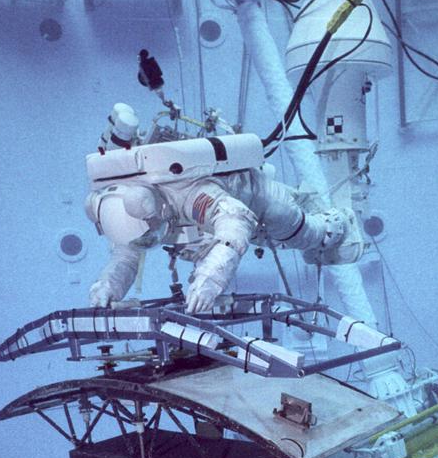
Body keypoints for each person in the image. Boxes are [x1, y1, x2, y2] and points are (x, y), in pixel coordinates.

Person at [84, 103, 360, 314]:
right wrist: (109, 286)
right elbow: (126, 256)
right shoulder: (123, 210)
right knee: (206, 256)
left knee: (298, 230)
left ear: (158, 211)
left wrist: (210, 280)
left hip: (257, 196)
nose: (147, 241)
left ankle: (337, 225)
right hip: (209, 225)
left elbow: (235, 223)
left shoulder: (190, 195)